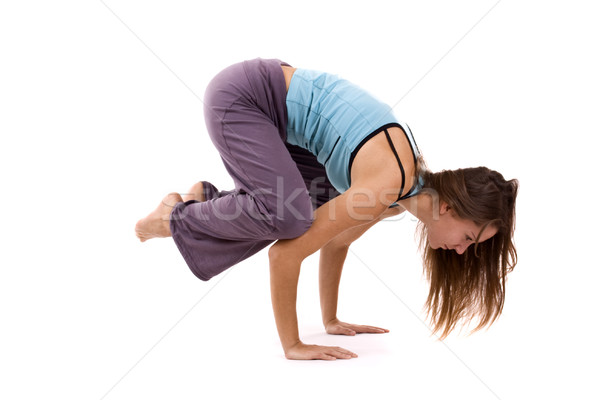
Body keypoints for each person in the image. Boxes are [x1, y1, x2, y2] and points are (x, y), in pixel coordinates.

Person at [135, 58, 518, 361]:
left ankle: (203, 200)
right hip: (243, 98)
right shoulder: (389, 181)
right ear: (449, 206)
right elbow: (285, 255)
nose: (464, 249)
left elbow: (335, 243)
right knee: (291, 218)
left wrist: (330, 320)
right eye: (469, 237)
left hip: (279, 115)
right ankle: (175, 216)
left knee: (308, 210)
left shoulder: (396, 199)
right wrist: (293, 344)